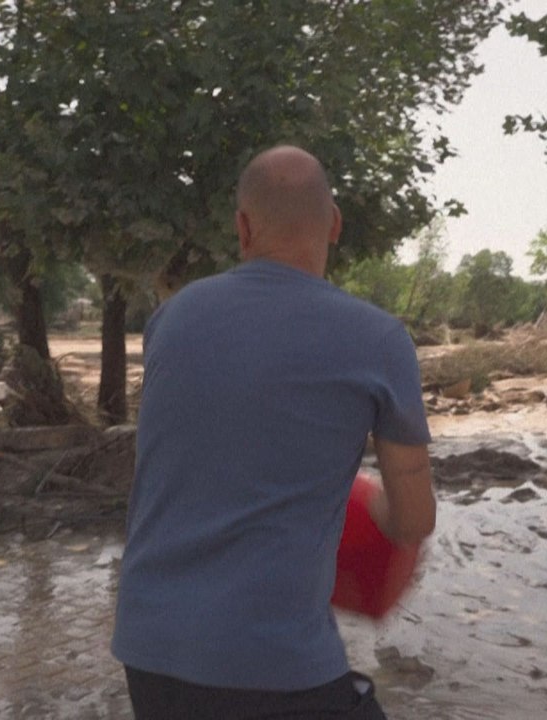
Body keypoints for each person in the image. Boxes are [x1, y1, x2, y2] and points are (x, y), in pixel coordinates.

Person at [111, 146, 436, 719]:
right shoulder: (379, 339)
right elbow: (414, 520)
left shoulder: (171, 319)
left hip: (150, 650)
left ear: (242, 226)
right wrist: (366, 509)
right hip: (278, 662)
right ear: (334, 224)